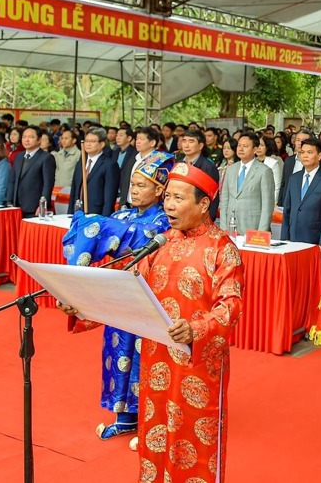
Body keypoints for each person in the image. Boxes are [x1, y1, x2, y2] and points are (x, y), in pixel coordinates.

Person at [59, 162, 244, 482]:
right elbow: (124, 292)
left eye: (179, 198)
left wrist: (196, 328)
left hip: (198, 364)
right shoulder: (160, 243)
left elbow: (231, 304)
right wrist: (80, 309)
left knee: (195, 447)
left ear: (204, 204)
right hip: (155, 361)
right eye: (167, 197)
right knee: (155, 442)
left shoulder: (222, 248)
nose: (169, 205)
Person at [63, 153, 175, 444]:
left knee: (145, 361)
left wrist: (98, 226)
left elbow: (137, 237)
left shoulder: (165, 220)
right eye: (132, 184)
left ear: (160, 190)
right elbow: (109, 238)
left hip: (149, 300)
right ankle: (125, 418)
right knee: (118, 355)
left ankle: (152, 423)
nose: (134, 190)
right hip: (120, 298)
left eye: (142, 185)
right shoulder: (122, 215)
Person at [281, 137, 321, 281]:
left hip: (314, 240)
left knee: (313, 280)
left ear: (319, 156)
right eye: (302, 152)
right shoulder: (294, 178)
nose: (305, 156)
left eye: (309, 152)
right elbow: (287, 211)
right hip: (292, 240)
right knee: (293, 279)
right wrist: (284, 240)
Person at [219, 133, 275, 234]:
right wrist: (223, 228)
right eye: (239, 146)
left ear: (255, 149)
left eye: (245, 146)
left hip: (253, 227)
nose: (240, 149)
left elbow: (267, 205)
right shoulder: (231, 169)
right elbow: (225, 201)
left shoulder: (264, 171)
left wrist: (261, 232)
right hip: (230, 226)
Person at [69, 128, 120, 216]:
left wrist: (104, 219)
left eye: (92, 141)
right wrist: (70, 213)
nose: (88, 144)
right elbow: (74, 189)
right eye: (86, 141)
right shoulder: (80, 163)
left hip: (97, 213)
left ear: (102, 144)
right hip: (78, 212)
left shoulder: (109, 165)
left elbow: (110, 196)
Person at [7, 126, 56, 218]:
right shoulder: (18, 157)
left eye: (31, 137)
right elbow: (12, 180)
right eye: (24, 137)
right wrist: (9, 201)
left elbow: (48, 184)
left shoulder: (46, 158)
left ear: (39, 140)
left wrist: (42, 205)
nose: (26, 140)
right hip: (16, 206)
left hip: (34, 207)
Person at [178, 128, 220, 221]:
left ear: (200, 145)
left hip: (199, 216)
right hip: (180, 214)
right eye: (184, 141)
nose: (186, 145)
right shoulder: (178, 164)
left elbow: (213, 198)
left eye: (191, 141)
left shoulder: (208, 167)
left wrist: (208, 219)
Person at [119, 127, 164, 209]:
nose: (138, 142)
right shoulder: (134, 158)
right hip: (129, 205)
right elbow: (126, 182)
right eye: (137, 139)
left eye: (142, 139)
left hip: (149, 208)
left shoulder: (159, 161)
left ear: (152, 142)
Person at [256, 137, 284, 201]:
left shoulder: (273, 163)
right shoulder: (252, 162)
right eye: (257, 145)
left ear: (267, 147)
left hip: (268, 199)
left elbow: (277, 185)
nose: (259, 147)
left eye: (262, 145)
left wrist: (274, 202)